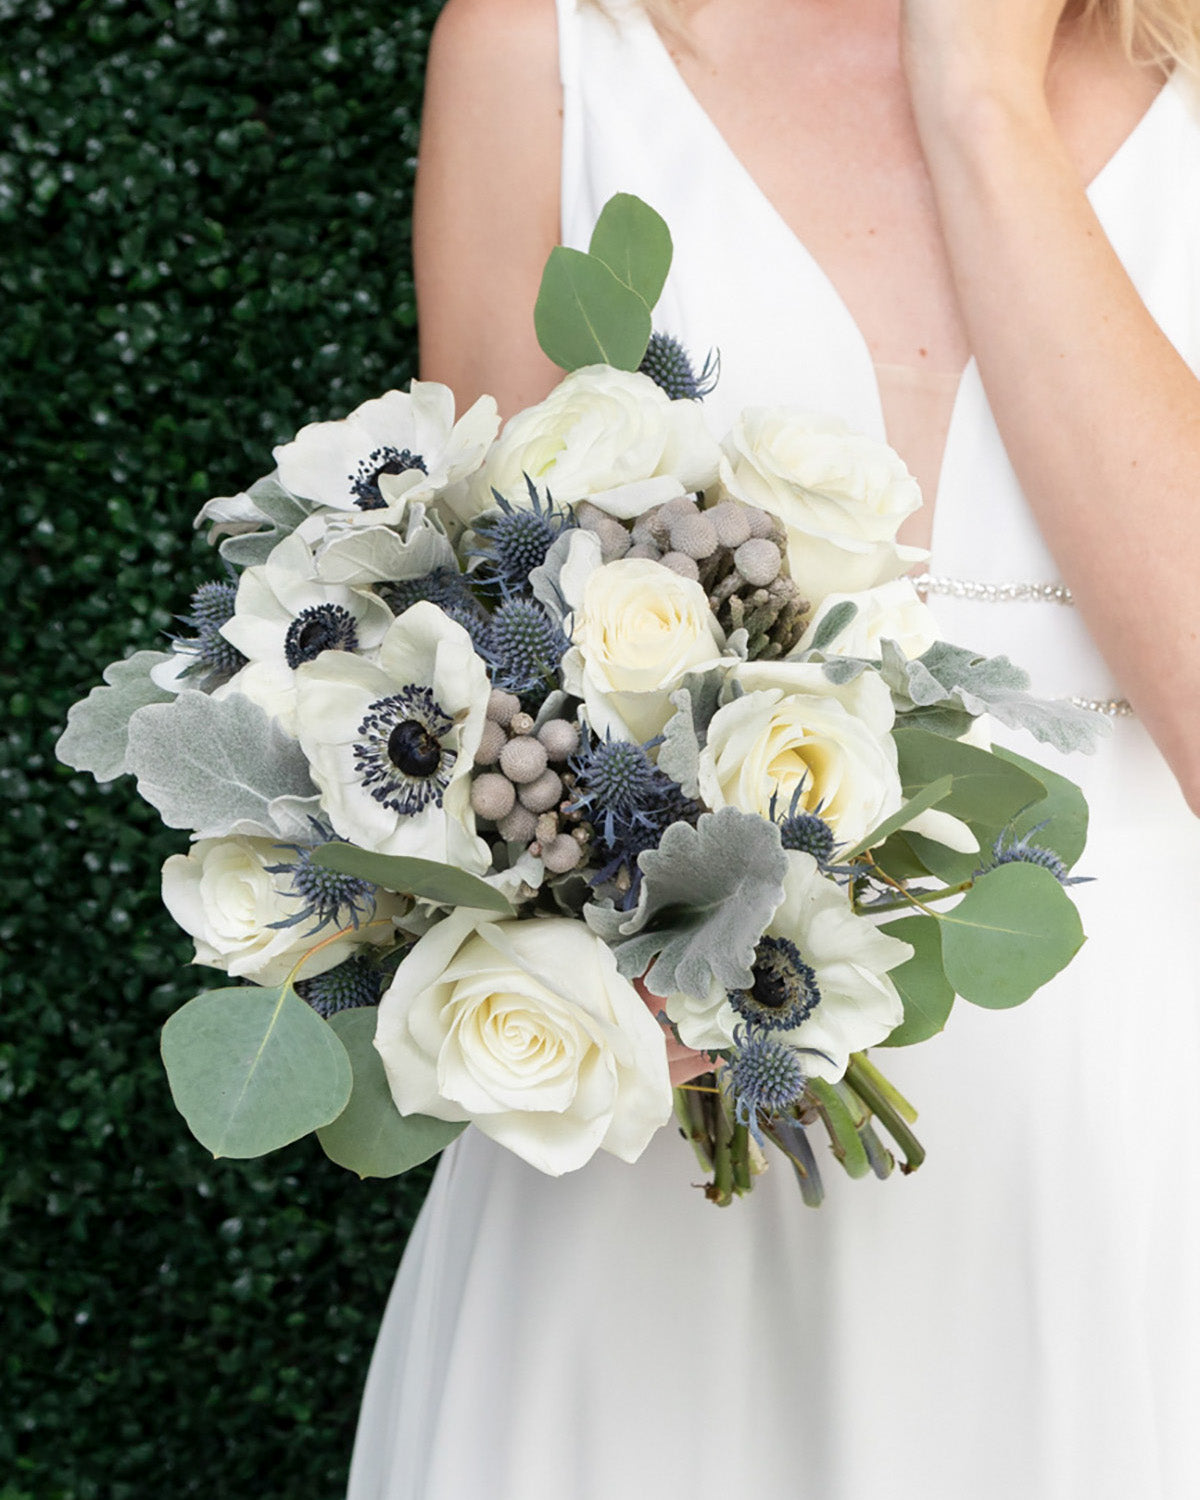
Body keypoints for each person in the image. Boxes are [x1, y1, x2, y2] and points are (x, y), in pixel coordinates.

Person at [346, 1, 1200, 1495]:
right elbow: (504, 704)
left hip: (1134, 1215)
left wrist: (978, 95)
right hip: (648, 1250)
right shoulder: (548, 45)